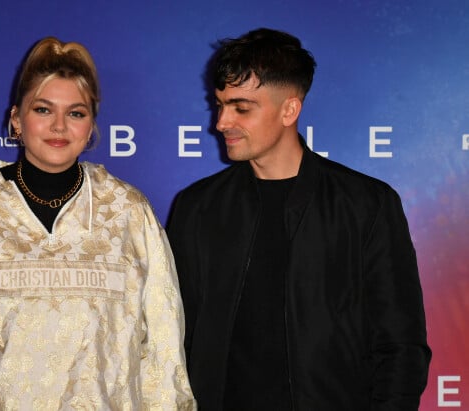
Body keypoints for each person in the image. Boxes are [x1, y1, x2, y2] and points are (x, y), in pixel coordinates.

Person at [0, 36, 195, 410]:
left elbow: (164, 357)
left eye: (75, 113)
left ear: (90, 127)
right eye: (42, 110)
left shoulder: (128, 212)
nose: (59, 126)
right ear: (16, 119)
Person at [167, 28, 431, 410]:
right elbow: (173, 336)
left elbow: (400, 345)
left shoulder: (366, 205)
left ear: (289, 110)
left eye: (241, 107)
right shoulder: (198, 207)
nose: (221, 122)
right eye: (220, 104)